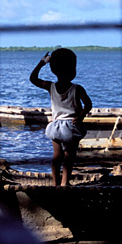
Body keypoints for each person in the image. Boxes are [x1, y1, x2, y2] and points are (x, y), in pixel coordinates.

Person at [30, 48, 93, 186]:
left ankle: (55, 183)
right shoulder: (77, 88)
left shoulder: (50, 86)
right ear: (73, 70)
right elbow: (88, 104)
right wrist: (81, 117)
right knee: (69, 157)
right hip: (72, 126)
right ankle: (65, 183)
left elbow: (33, 79)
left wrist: (42, 62)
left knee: (56, 157)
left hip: (56, 126)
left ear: (53, 69)